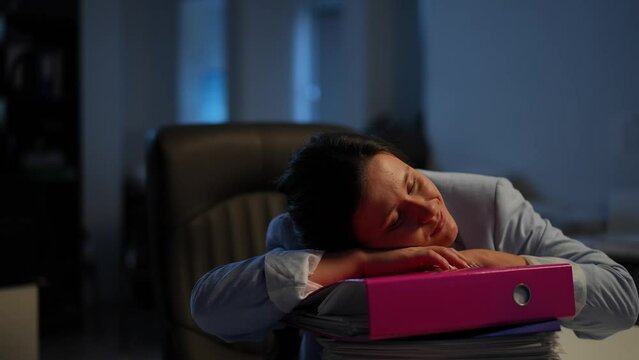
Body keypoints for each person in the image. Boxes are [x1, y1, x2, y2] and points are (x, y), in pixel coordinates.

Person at [190, 132, 639, 360]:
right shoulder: (304, 237)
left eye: (413, 182)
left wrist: (505, 266)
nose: (429, 210)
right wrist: (358, 263)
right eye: (396, 220)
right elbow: (210, 310)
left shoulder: (490, 205)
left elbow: (621, 299)